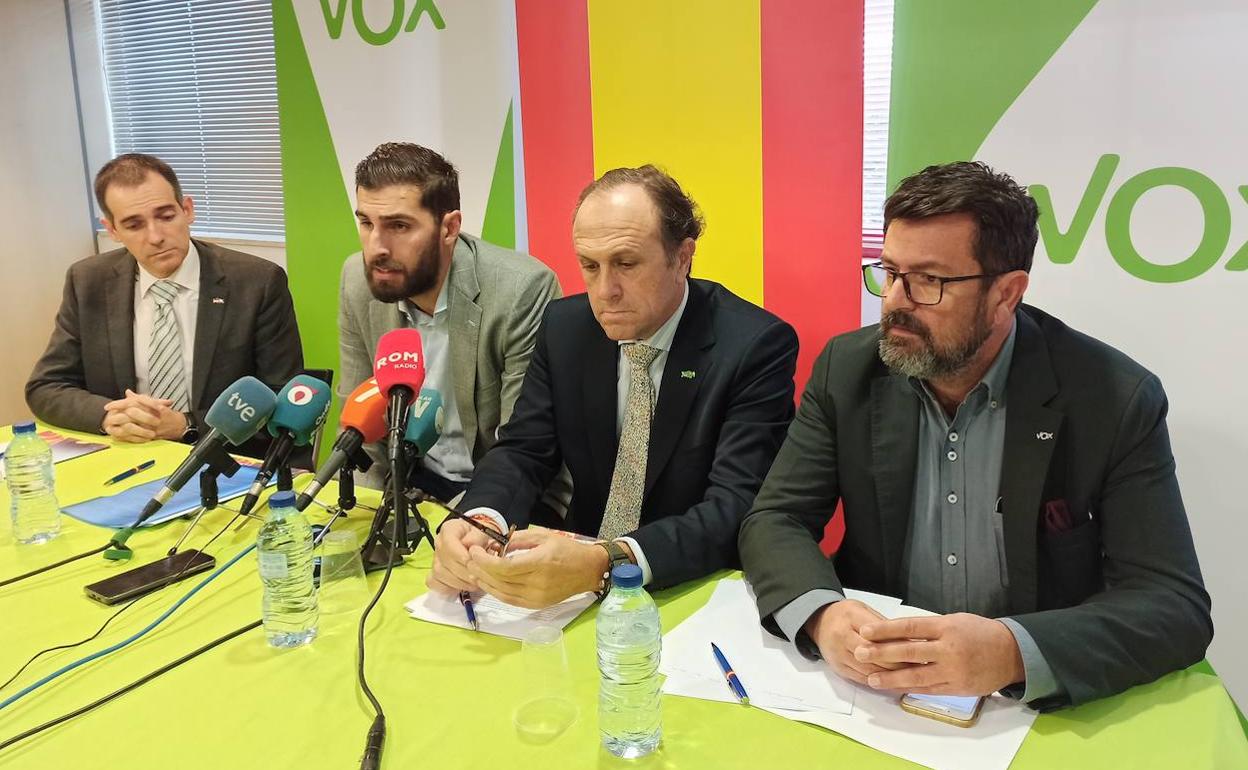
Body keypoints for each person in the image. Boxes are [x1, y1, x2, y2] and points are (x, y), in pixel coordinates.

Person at [738, 161, 1211, 711]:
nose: (894, 301)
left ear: (1006, 293)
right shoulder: (849, 369)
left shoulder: (1112, 398)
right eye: (889, 272)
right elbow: (776, 518)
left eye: (929, 281)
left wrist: (1012, 652)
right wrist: (822, 614)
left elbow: (1171, 602)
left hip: (1024, 706)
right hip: (876, 689)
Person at [429, 165, 799, 609]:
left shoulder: (754, 346)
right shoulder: (565, 328)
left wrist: (606, 563)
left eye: (626, 264)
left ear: (683, 257)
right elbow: (524, 450)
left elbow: (735, 506)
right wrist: (481, 519)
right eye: (590, 265)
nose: (605, 291)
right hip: (572, 575)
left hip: (691, 585)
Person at [26, 153, 303, 445]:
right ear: (113, 230)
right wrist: (108, 416)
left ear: (187, 210)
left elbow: (282, 400)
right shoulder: (88, 281)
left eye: (166, 216)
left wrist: (187, 425)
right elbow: (46, 386)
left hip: (224, 457)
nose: (156, 236)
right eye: (134, 225)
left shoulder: (256, 282)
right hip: (129, 455)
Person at [339, 142, 562, 502]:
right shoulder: (358, 280)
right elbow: (361, 434)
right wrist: (366, 512)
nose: (376, 247)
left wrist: (453, 520)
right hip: (410, 480)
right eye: (366, 222)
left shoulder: (520, 291)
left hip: (494, 487)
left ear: (449, 228)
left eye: (399, 225)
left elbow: (521, 450)